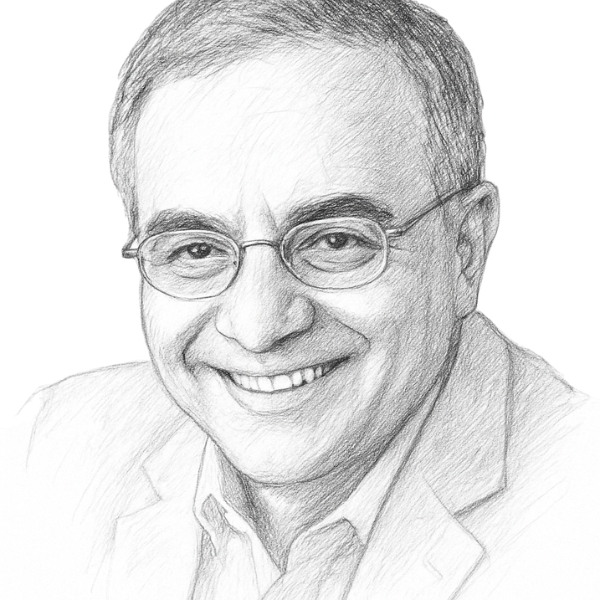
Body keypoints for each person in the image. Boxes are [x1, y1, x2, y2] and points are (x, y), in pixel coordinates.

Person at [5, 1, 598, 599]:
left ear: (465, 248)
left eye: (335, 241)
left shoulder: (578, 503)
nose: (258, 325)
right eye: (195, 250)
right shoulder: (47, 452)